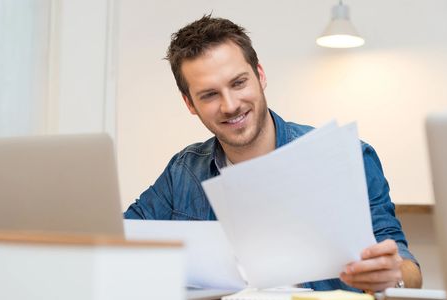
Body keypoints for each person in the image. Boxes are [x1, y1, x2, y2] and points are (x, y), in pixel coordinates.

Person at [124, 15, 422, 292]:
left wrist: (393, 275)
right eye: (210, 94)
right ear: (190, 104)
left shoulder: (350, 157)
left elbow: (409, 271)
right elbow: (119, 239)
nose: (230, 105)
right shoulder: (183, 172)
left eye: (238, 83)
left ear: (260, 75)